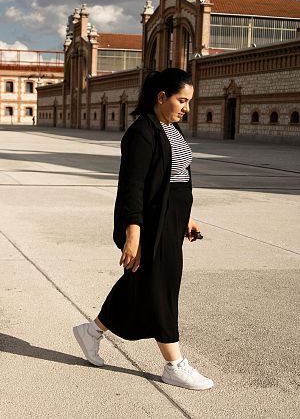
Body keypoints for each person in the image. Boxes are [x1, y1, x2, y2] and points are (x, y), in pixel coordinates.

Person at [72, 68, 213, 390]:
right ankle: (174, 364)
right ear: (161, 97)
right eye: (182, 100)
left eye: (189, 101)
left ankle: (91, 332)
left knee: (139, 284)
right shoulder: (142, 133)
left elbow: (176, 179)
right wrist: (132, 234)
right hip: (150, 224)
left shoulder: (170, 128)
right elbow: (132, 188)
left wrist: (185, 217)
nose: (187, 108)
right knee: (162, 289)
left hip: (170, 220)